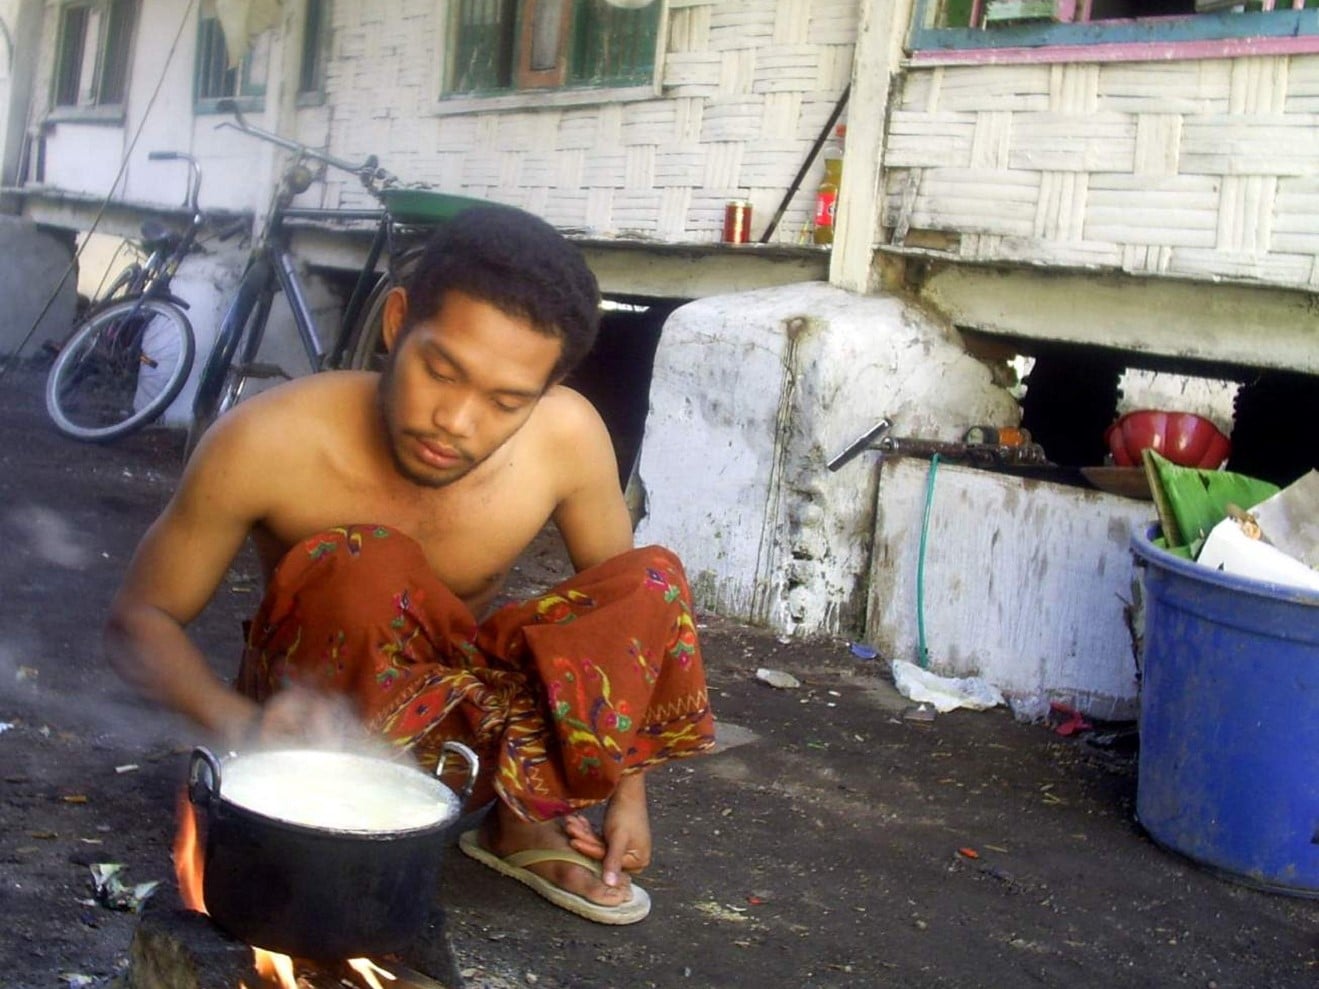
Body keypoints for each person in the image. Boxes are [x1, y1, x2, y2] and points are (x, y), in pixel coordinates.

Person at [104, 205, 717, 926]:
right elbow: (138, 620)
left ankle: (519, 819)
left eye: (505, 401)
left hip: (460, 733)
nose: (456, 420)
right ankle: (334, 823)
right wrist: (240, 724)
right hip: (320, 734)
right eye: (440, 370)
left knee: (648, 579)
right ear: (398, 322)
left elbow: (625, 634)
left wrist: (628, 792)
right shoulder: (265, 439)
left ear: (544, 391)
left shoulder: (568, 437)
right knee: (364, 564)